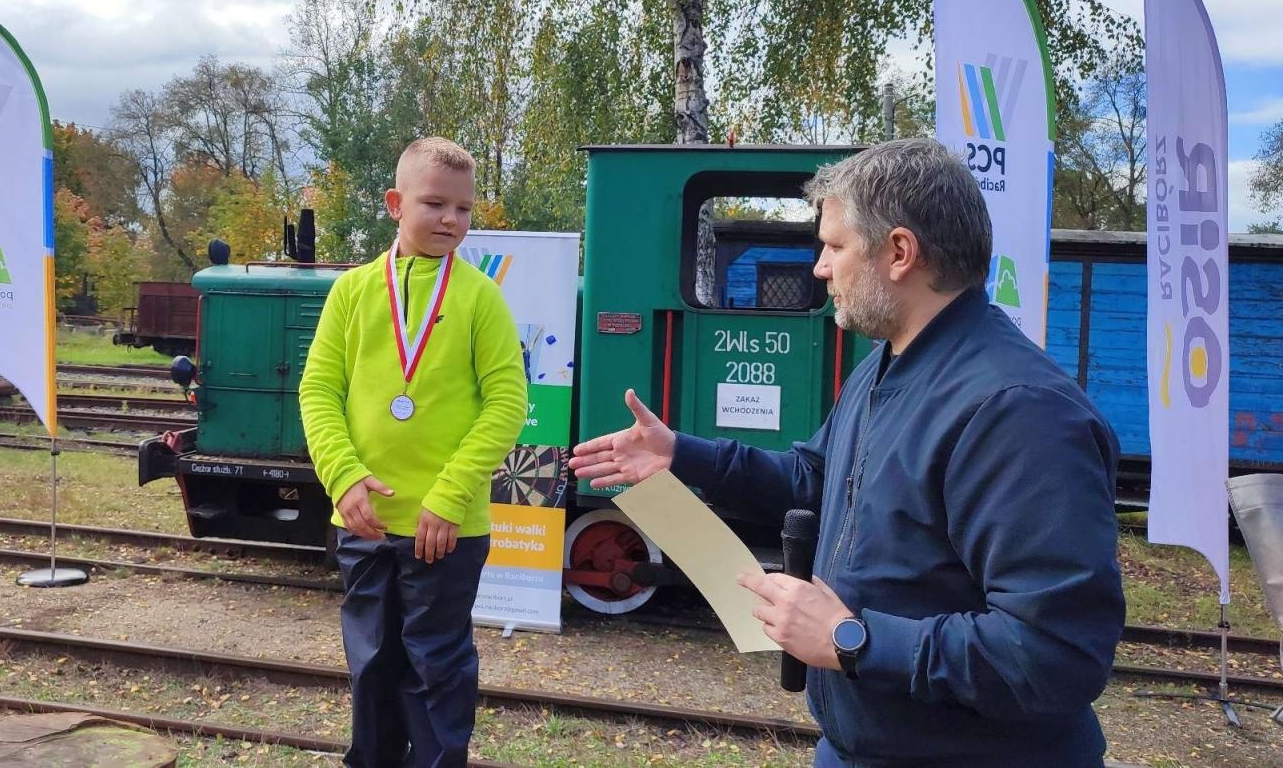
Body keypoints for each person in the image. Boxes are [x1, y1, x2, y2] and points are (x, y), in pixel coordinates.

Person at [570, 138, 1124, 767]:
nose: (818, 267)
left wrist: (851, 639)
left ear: (899, 252)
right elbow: (816, 481)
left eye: (834, 245)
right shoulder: (888, 365)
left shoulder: (1019, 413)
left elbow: (1053, 656)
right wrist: (682, 456)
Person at [300, 136, 528, 768]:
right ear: (395, 203)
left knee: (437, 669)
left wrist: (450, 497)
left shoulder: (480, 296)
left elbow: (506, 402)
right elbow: (318, 390)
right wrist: (344, 479)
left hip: (447, 529)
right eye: (435, 204)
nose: (451, 220)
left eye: (464, 209)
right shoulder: (351, 292)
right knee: (371, 665)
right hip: (365, 523)